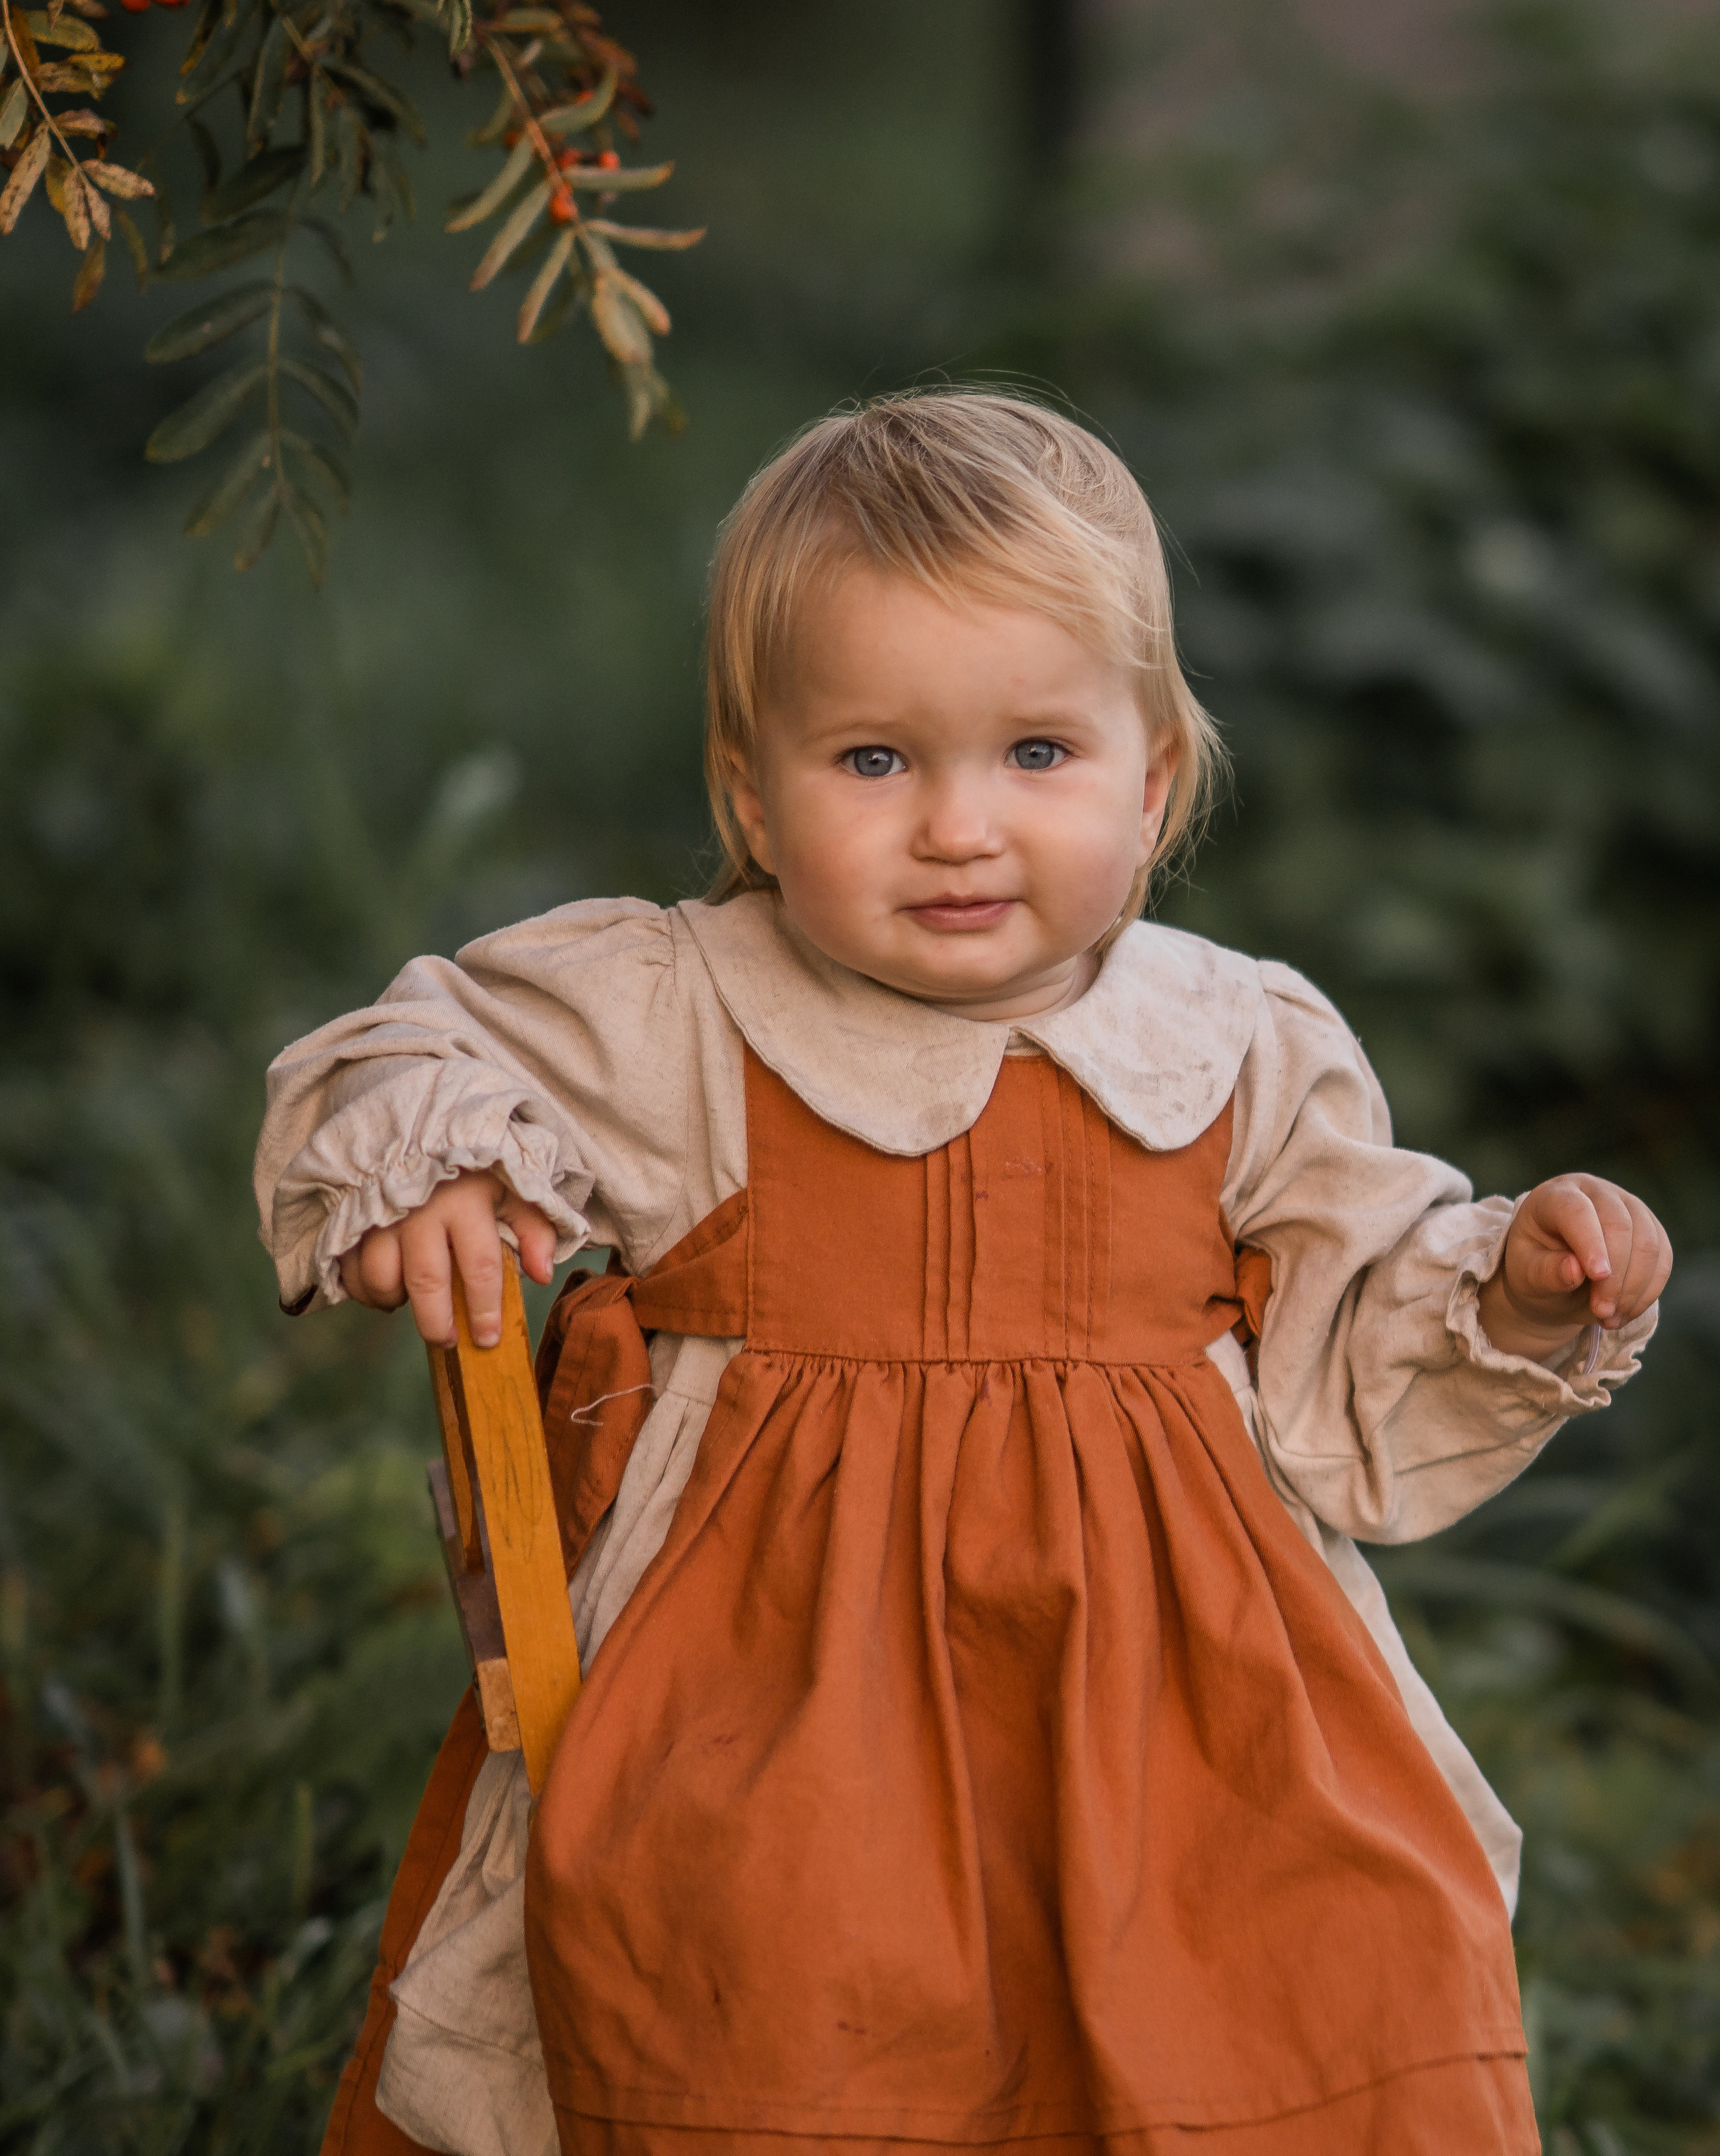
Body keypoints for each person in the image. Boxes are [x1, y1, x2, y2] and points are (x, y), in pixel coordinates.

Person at [255, 390, 1671, 2156]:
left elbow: (1355, 1363)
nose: (955, 826)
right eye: (872, 760)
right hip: (774, 1713)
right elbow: (417, 1040)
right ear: (751, 797)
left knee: (1333, 1968)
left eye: (1035, 754)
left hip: (1186, 1722)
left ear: (1150, 780)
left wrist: (1522, 1293)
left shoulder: (1233, 1046)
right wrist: (440, 1162)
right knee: (774, 2032)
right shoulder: (686, 1011)